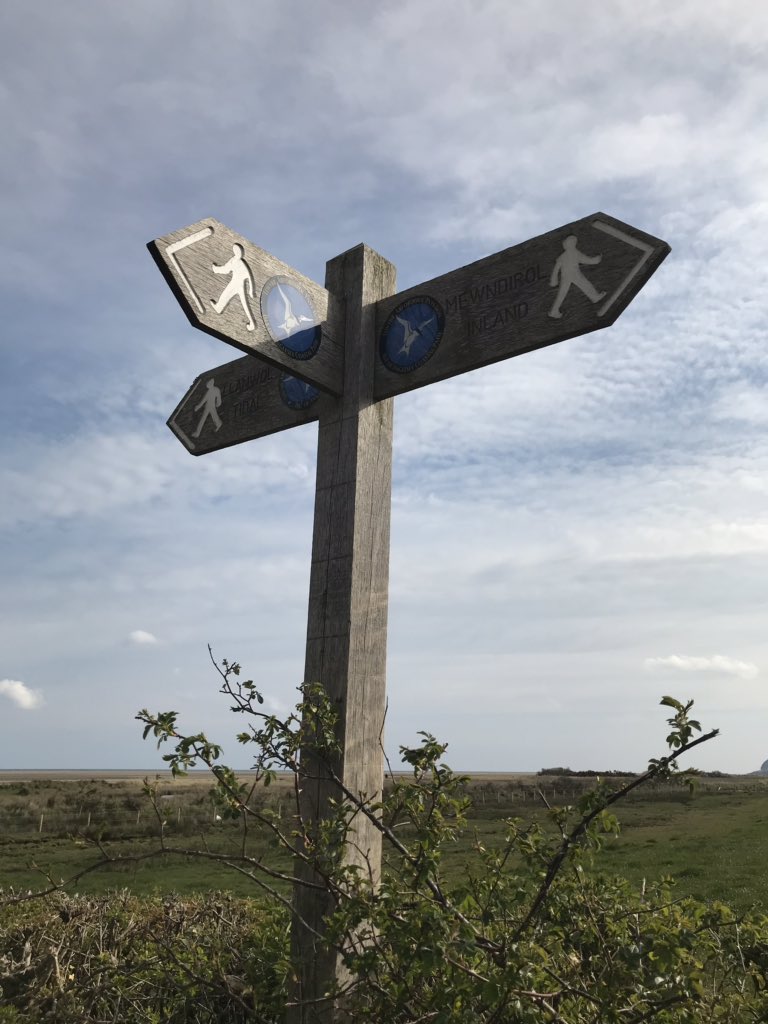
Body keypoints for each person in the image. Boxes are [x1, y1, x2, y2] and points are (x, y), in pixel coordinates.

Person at [548, 235, 605, 318]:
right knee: (562, 293)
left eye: (574, 242)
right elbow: (556, 268)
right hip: (568, 275)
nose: (573, 244)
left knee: (585, 284)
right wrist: (554, 279)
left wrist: (595, 260)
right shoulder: (564, 255)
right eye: (571, 242)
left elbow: (585, 259)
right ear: (567, 244)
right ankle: (553, 311)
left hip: (574, 274)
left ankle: (595, 297)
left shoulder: (574, 252)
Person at [210, 244, 256, 331]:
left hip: (240, 285)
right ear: (235, 252)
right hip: (234, 283)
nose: (238, 253)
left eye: (240, 252)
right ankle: (218, 308)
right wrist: (215, 269)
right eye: (237, 251)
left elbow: (249, 276)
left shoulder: (242, 263)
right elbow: (225, 269)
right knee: (225, 295)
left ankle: (252, 324)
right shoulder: (233, 261)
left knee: (245, 304)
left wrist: (251, 290)